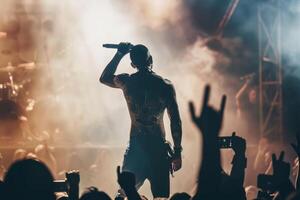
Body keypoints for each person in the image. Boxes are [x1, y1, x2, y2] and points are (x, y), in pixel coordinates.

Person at [100, 43, 182, 198]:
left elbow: (104, 78)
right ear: (151, 59)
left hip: (137, 147)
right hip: (158, 149)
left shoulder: (127, 82)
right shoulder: (165, 86)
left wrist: (120, 53)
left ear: (132, 64)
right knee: (161, 198)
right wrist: (177, 151)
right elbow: (175, 121)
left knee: (124, 193)